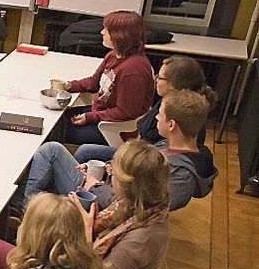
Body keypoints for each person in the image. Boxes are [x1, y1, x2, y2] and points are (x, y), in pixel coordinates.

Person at [0, 140, 170, 269]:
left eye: (112, 172)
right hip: (68, 261)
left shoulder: (144, 237)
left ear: (128, 184)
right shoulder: (139, 206)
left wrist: (85, 228)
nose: (110, 174)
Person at [22, 89, 216, 212]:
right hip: (103, 187)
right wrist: (104, 169)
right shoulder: (169, 145)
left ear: (172, 124)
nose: (155, 118)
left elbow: (137, 209)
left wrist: (94, 186)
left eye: (160, 115)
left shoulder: (182, 175)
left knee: (50, 151)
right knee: (53, 150)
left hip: (99, 202)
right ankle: (30, 202)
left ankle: (28, 210)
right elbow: (133, 170)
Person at [73, 54, 218, 164]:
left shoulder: (177, 115)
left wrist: (114, 164)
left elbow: (152, 157)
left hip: (141, 161)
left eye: (160, 78)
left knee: (83, 152)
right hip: (139, 152)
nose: (155, 80)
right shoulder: (171, 102)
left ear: (174, 85)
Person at [62, 10, 155, 146]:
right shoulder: (113, 55)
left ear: (120, 35)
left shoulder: (133, 70)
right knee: (63, 115)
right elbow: (94, 82)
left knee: (63, 130)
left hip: (114, 128)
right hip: (102, 113)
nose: (102, 32)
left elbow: (125, 113)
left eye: (107, 29)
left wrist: (90, 117)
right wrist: (70, 85)